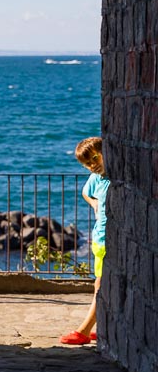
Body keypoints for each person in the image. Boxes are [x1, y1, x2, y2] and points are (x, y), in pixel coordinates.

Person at [59, 136, 109, 346]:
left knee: (101, 284)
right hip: (100, 238)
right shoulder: (97, 179)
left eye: (95, 159)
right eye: (87, 164)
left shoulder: (111, 177)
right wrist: (95, 203)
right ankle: (101, 327)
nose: (92, 166)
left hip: (107, 240)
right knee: (101, 283)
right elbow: (85, 193)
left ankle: (84, 330)